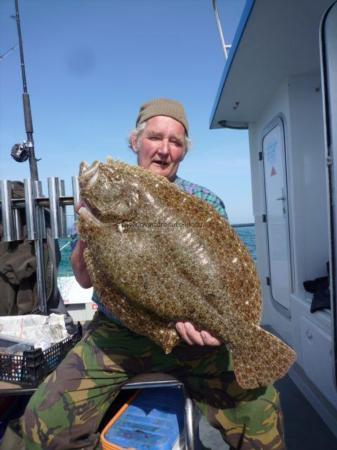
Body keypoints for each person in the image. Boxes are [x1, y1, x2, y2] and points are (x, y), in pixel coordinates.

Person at [21, 99, 286, 450]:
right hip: (118, 335)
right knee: (43, 423)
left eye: (175, 142)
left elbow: (222, 276)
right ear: (135, 142)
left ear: (184, 151)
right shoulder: (94, 209)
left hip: (195, 341)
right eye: (155, 137)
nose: (164, 150)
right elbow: (85, 280)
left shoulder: (205, 202)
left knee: (261, 411)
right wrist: (89, 232)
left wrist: (216, 327)